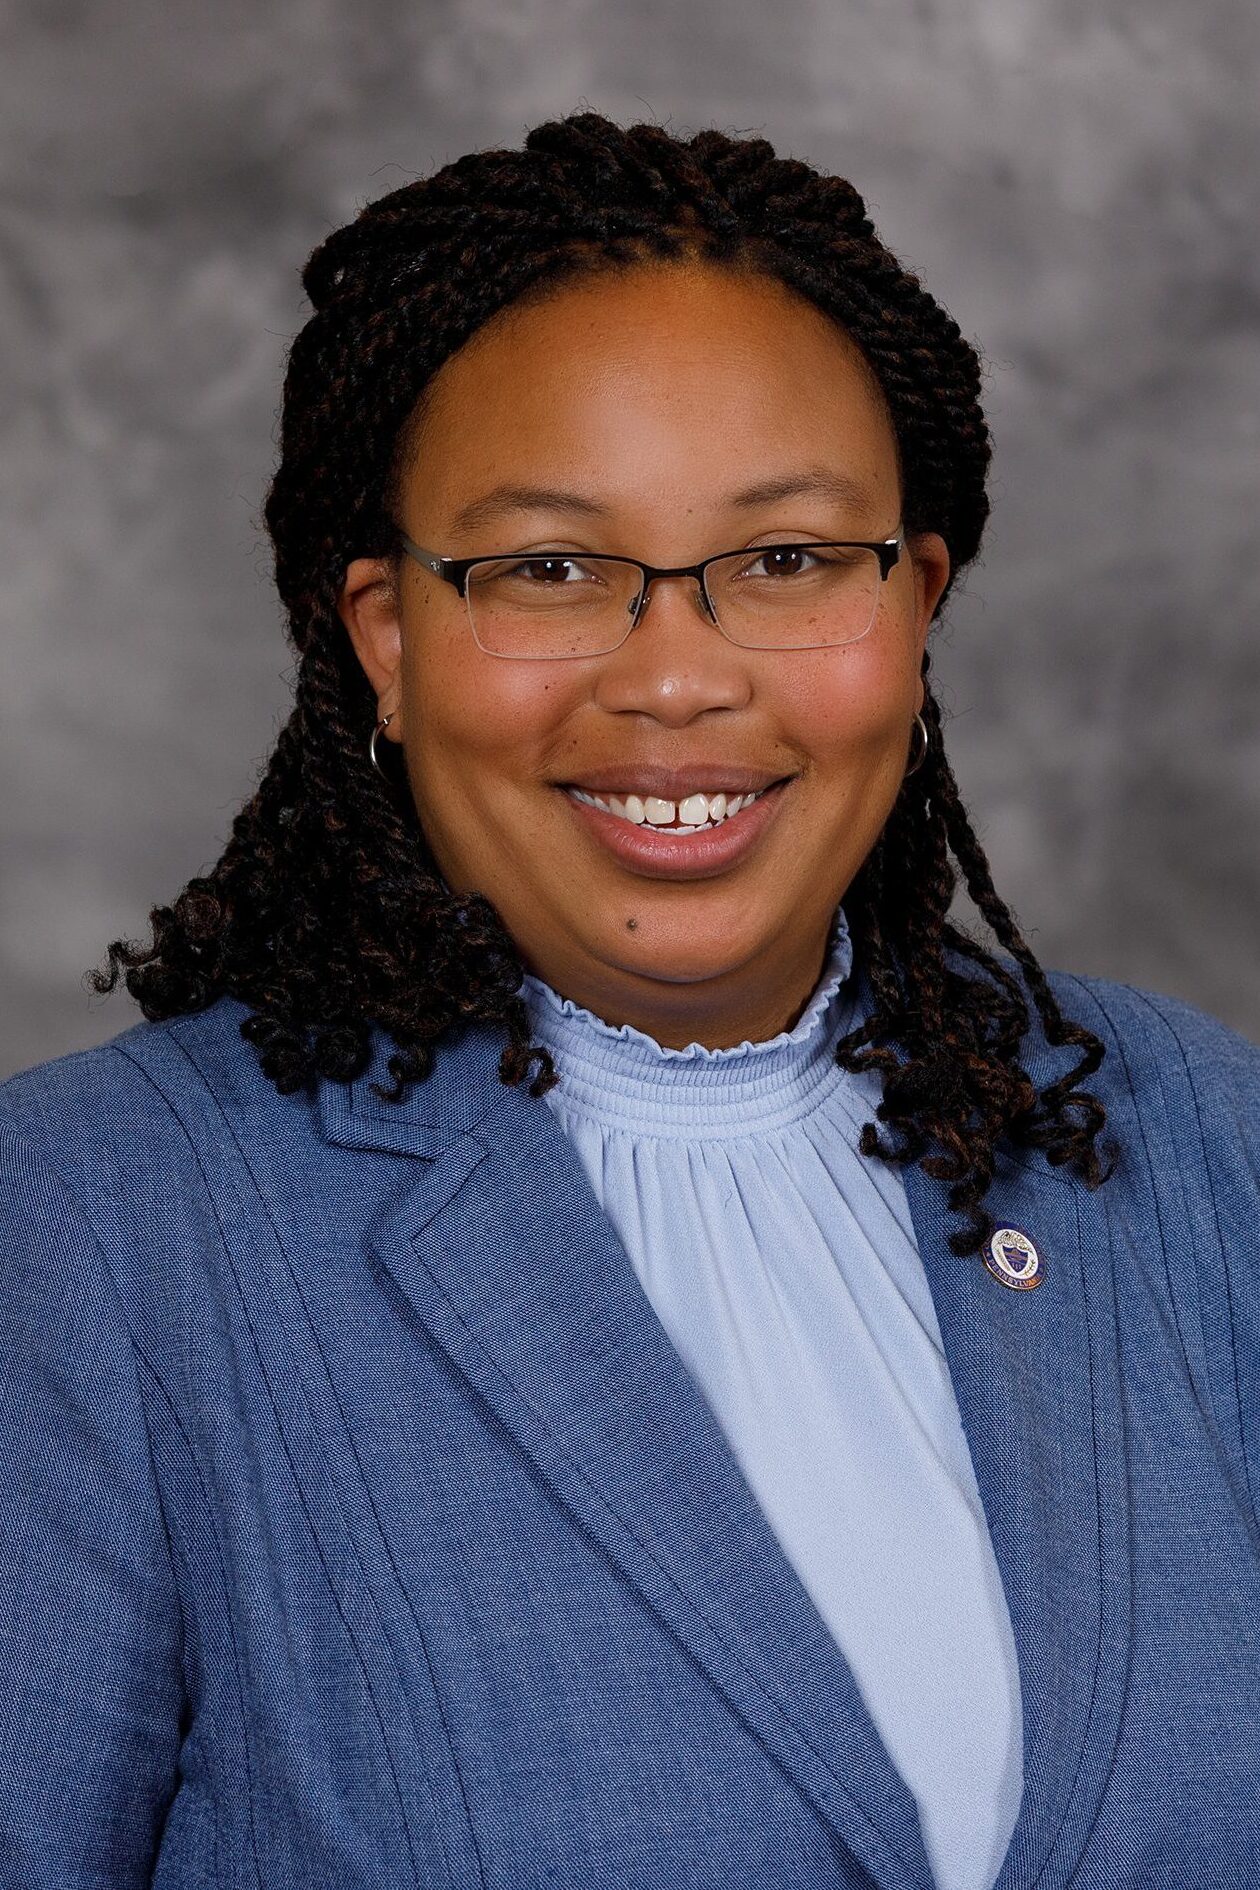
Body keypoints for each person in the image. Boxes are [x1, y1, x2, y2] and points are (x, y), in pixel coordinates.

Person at [1, 110, 1257, 1890]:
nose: (676, 678)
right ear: (383, 631)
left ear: (918, 601)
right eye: (551, 568)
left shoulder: (1199, 1138)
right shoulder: (89, 1233)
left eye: (790, 559)